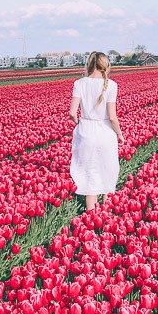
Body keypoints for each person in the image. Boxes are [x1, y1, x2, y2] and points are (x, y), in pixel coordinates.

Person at [68, 51, 124, 211]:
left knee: (90, 175)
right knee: (108, 171)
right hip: (106, 132)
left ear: (89, 64)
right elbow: (112, 117)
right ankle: (106, 217)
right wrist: (119, 134)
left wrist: (80, 123)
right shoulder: (111, 85)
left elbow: (72, 113)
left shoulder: (79, 84)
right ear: (105, 65)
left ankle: (90, 216)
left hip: (86, 132)